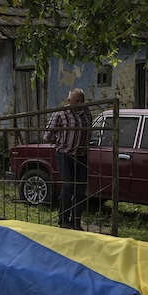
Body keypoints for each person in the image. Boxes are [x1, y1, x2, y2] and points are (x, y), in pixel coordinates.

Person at [43, 87, 92, 230]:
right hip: (64, 154)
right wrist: (60, 143)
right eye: (76, 101)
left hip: (81, 155)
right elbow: (47, 135)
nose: (79, 103)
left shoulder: (87, 113)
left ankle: (76, 222)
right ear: (69, 101)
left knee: (80, 189)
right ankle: (63, 220)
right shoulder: (60, 113)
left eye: (81, 100)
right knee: (68, 186)